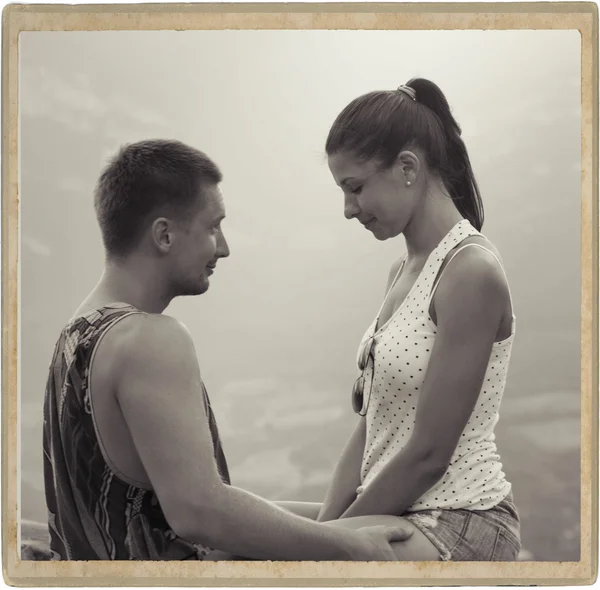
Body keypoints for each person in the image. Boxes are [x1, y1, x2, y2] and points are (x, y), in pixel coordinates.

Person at [42, 139, 415, 561]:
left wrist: (332, 521)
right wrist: (348, 544)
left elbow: (173, 506)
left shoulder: (75, 334)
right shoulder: (149, 339)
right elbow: (199, 511)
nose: (223, 247)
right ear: (164, 234)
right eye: (212, 227)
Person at [315, 78, 522, 561]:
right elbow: (371, 429)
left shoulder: (470, 272)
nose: (349, 210)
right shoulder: (402, 272)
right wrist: (321, 534)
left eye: (356, 188)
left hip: (461, 521)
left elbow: (429, 454)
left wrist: (324, 548)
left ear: (407, 167)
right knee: (238, 536)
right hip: (399, 513)